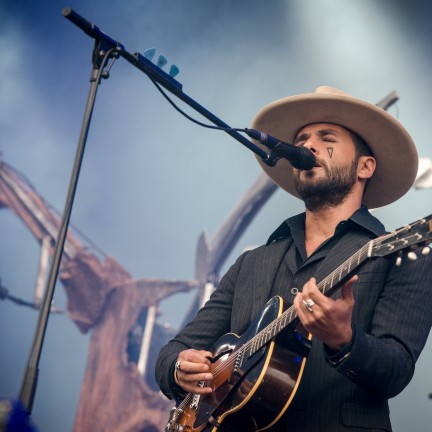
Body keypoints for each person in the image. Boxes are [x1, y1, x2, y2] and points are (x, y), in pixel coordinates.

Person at [155, 86, 432, 431]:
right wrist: (178, 368)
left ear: (365, 166)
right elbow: (176, 349)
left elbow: (396, 371)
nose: (308, 146)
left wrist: (345, 340)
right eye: (302, 140)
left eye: (326, 137)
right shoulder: (251, 263)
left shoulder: (399, 255)